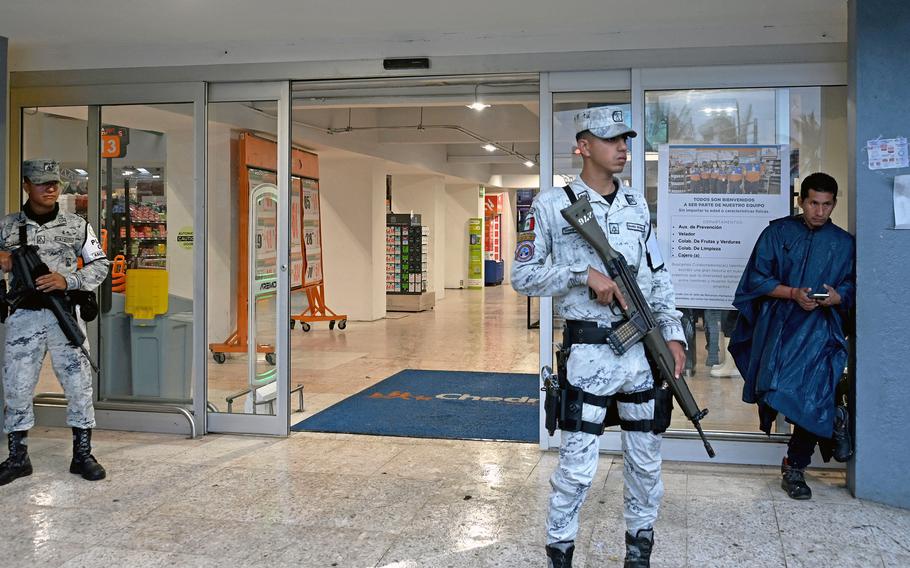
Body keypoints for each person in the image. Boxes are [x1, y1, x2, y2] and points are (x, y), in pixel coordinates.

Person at [512, 107, 686, 568]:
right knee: (576, 467)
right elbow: (522, 276)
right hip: (590, 353)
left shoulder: (637, 205)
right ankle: (561, 550)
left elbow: (658, 276)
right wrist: (579, 274)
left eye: (625, 140)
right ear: (583, 146)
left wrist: (674, 336)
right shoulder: (550, 205)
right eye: (611, 140)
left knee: (646, 462)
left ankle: (639, 549)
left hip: (641, 354)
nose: (622, 148)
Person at [729, 172, 855, 500]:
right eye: (813, 203)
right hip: (779, 329)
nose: (819, 211)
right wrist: (792, 293)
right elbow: (756, 279)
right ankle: (832, 423)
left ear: (834, 204)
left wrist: (838, 296)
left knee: (813, 396)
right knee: (780, 391)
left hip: (821, 332)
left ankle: (795, 465)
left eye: (827, 205)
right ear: (802, 201)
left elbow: (854, 284)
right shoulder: (777, 233)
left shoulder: (843, 243)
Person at [0, 159, 110, 485]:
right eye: (41, 182)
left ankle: (83, 454)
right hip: (24, 317)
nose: (50, 188)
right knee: (17, 386)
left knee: (78, 385)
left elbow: (100, 265)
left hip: (64, 315)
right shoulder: (7, 227)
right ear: (25, 185)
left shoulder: (78, 225)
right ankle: (18, 457)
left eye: (55, 183)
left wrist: (69, 281)